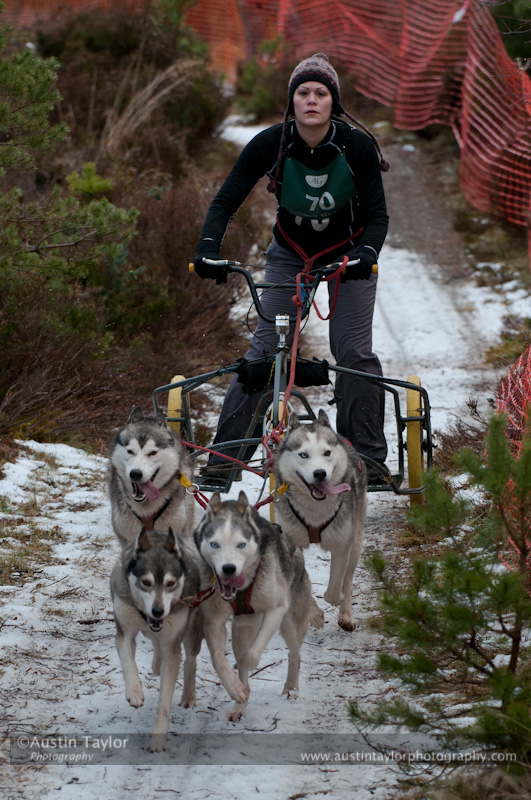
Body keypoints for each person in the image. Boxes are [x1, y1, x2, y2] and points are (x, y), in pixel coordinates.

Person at [193, 53, 390, 483]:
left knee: (353, 352)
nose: (312, 100)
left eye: (321, 93)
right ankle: (224, 461)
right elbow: (225, 202)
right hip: (289, 252)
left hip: (347, 255)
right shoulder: (270, 143)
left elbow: (377, 215)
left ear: (333, 102)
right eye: (303, 92)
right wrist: (207, 247)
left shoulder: (355, 145)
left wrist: (367, 255)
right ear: (292, 101)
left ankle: (368, 459)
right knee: (265, 352)